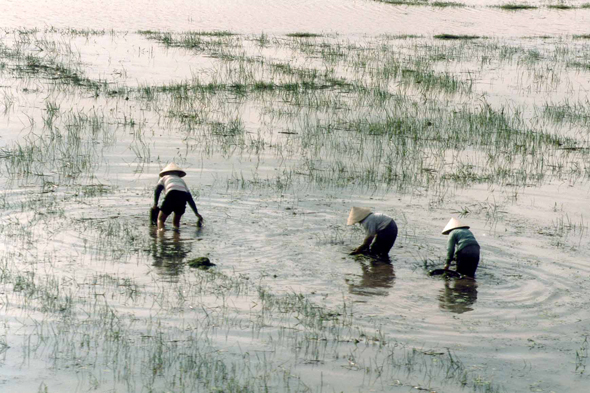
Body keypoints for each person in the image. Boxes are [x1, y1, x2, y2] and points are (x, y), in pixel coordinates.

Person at [153, 163, 203, 231]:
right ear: (178, 174)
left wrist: (155, 204)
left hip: (172, 194)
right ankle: (177, 238)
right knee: (176, 223)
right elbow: (190, 198)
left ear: (166, 172)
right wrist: (196, 213)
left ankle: (161, 236)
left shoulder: (164, 178)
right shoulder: (181, 181)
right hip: (183, 197)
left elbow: (157, 190)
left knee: (160, 219)